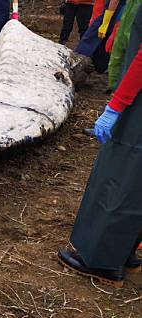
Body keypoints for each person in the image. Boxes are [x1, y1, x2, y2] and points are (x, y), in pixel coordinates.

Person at [58, 7, 142, 288]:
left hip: (138, 108)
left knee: (121, 175)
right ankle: (126, 251)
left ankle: (101, 261)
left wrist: (117, 105)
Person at [75, 0, 125, 72]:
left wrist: (105, 22)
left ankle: (78, 61)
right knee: (104, 42)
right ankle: (100, 67)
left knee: (91, 39)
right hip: (113, 14)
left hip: (111, 14)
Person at [107, 0, 141, 89]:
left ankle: (120, 88)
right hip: (123, 24)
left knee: (130, 60)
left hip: (133, 30)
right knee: (116, 56)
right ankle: (113, 86)